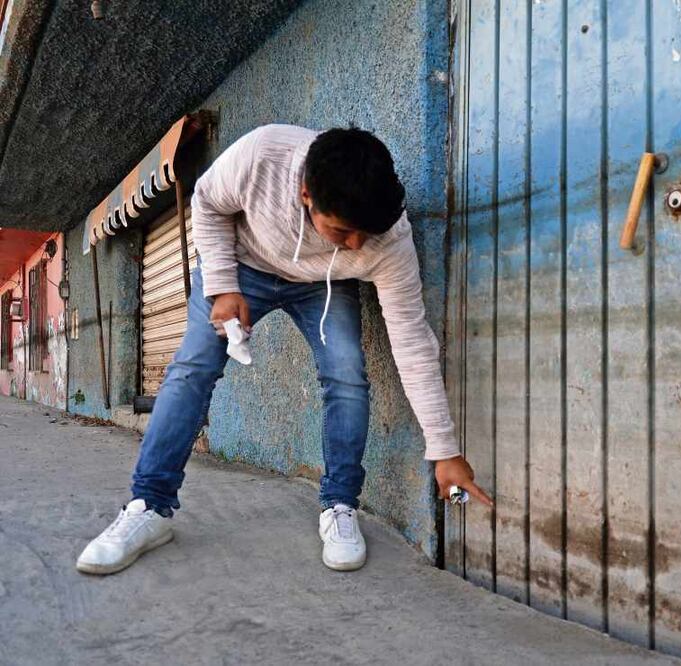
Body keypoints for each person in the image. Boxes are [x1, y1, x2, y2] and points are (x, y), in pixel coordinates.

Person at [76, 125, 492, 575]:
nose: (357, 245)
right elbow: (207, 201)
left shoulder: (388, 239)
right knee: (193, 367)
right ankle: (149, 507)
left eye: (366, 235)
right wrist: (222, 286)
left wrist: (444, 450)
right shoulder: (264, 156)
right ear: (306, 194)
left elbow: (412, 342)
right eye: (343, 230)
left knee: (346, 374)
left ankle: (340, 505)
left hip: (323, 285)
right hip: (241, 262)